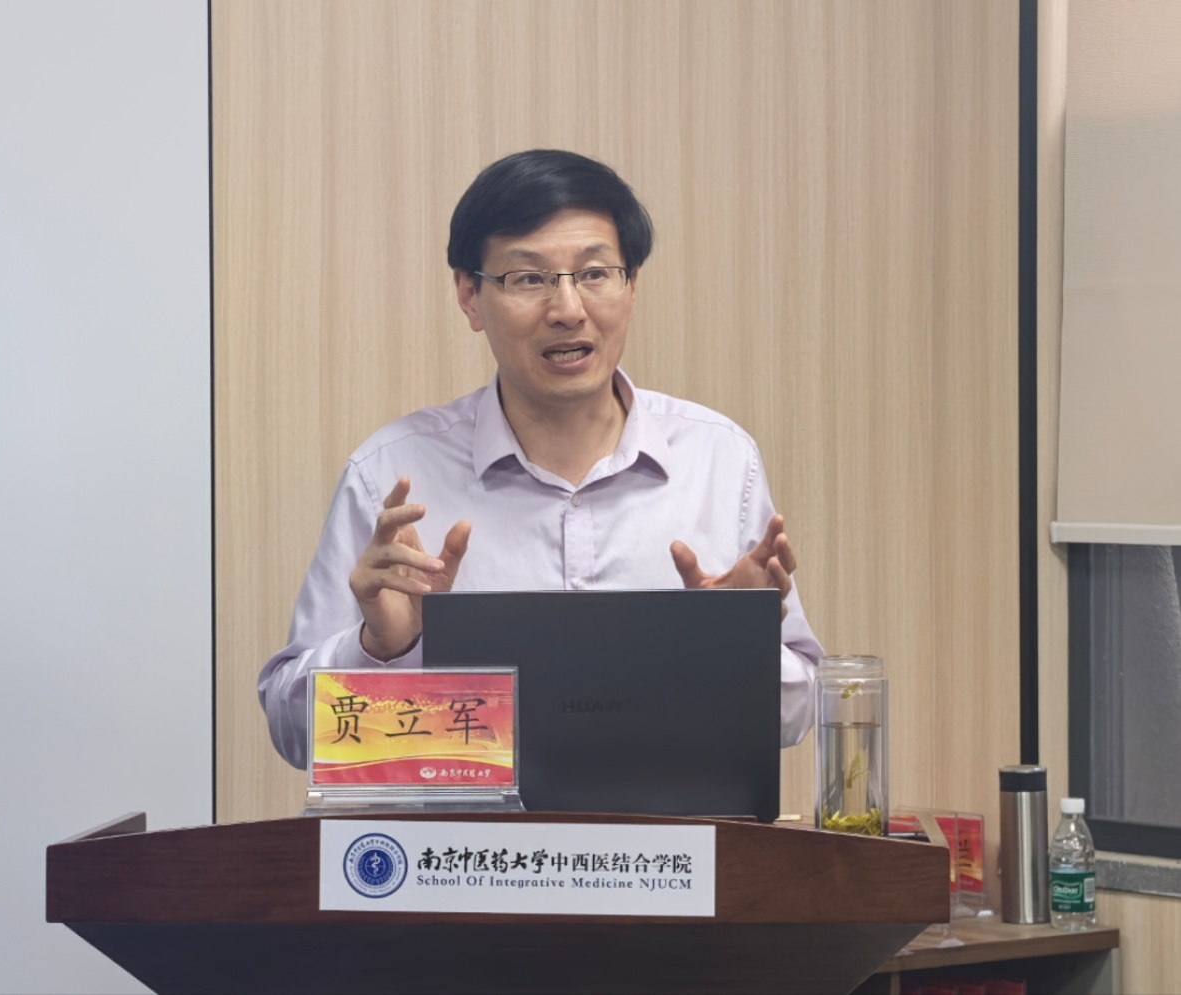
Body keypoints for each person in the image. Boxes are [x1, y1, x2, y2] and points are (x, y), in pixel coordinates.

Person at [259, 149, 823, 768]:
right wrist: (385, 647)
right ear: (469, 295)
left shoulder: (719, 461)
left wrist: (733, 647)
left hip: (662, 836)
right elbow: (294, 734)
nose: (568, 309)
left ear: (632, 286)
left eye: (595, 273)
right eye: (529, 279)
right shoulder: (392, 478)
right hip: (466, 836)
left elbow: (798, 714)